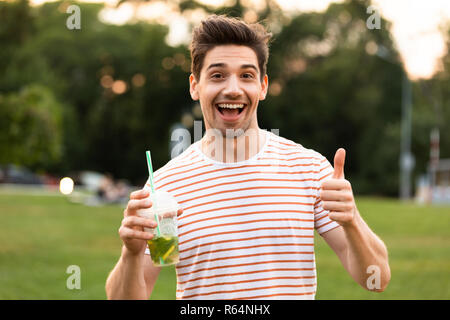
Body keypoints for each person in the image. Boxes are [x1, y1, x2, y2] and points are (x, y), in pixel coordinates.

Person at [106, 15, 390, 300]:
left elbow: (376, 280)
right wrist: (131, 254)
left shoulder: (308, 169)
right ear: (195, 86)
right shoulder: (165, 187)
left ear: (263, 86)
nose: (232, 88)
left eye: (246, 75)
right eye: (218, 75)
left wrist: (352, 221)